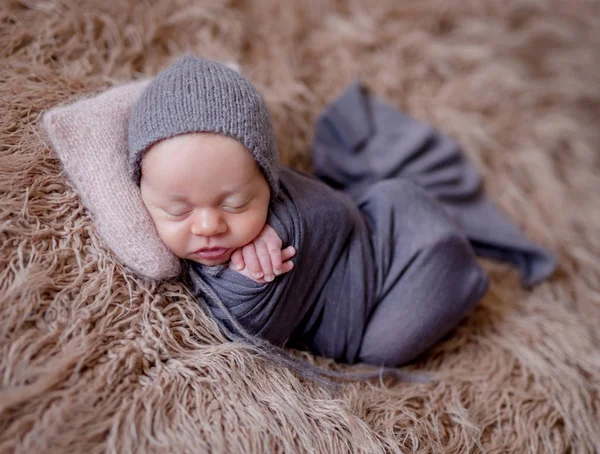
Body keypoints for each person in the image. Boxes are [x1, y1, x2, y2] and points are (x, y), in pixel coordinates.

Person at [126, 55, 489, 372]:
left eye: (234, 204)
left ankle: (459, 274)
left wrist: (257, 272)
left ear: (269, 181)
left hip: (399, 263)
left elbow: (245, 336)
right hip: (382, 231)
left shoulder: (283, 238)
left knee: (384, 347)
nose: (208, 226)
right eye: (178, 210)